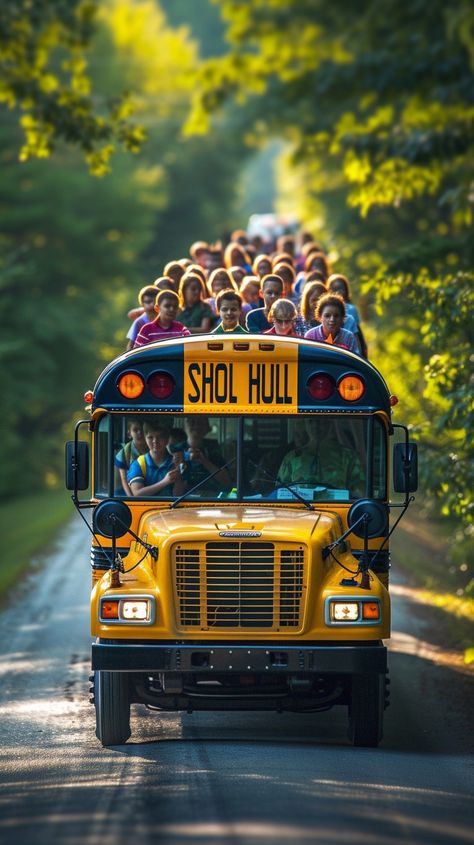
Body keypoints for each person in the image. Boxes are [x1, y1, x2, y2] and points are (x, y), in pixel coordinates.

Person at [277, 417, 365, 496]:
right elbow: (280, 493)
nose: (315, 426)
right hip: (301, 511)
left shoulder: (348, 457)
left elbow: (359, 494)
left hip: (336, 509)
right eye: (311, 421)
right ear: (306, 424)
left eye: (320, 421)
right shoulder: (292, 458)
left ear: (330, 423)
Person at [128, 420, 185, 497]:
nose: (155, 441)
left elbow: (178, 495)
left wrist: (178, 471)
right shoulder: (139, 463)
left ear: (167, 438)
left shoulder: (177, 462)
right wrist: (165, 481)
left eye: (159, 437)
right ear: (145, 438)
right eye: (150, 437)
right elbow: (137, 493)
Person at [183, 416, 232, 492]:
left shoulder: (213, 451)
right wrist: (184, 460)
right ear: (184, 427)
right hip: (182, 499)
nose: (196, 426)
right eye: (192, 422)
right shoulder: (175, 450)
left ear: (207, 428)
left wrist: (205, 461)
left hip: (211, 498)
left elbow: (226, 481)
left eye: (201, 423)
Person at [327, 273, 368, 358]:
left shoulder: (352, 310)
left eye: (341, 289)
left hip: (350, 348)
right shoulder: (325, 311)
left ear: (346, 290)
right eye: (334, 289)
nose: (338, 292)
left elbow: (357, 333)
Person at [114, 417, 147, 495]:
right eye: (135, 430)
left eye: (142, 430)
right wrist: (131, 498)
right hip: (128, 488)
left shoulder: (154, 448)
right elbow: (124, 479)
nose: (140, 433)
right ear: (129, 434)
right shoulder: (124, 453)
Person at [126, 285, 160, 351]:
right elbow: (130, 345)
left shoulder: (166, 320)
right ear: (142, 303)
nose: (152, 305)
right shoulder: (139, 322)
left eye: (155, 302)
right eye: (148, 302)